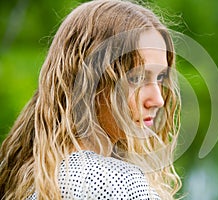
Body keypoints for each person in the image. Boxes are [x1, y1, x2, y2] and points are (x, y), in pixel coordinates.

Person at [0, 0, 182, 199]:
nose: (157, 100)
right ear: (90, 81)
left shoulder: (35, 179)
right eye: (136, 78)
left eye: (160, 78)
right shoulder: (112, 182)